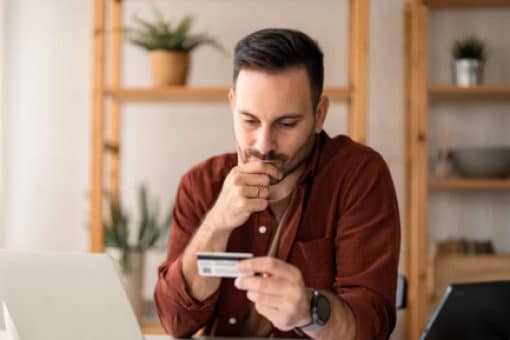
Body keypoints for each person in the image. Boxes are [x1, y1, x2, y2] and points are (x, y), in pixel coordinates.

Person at [154, 28, 400, 340]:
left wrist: (309, 311)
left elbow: (372, 325)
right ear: (232, 104)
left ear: (320, 114)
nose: (264, 143)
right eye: (249, 120)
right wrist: (216, 224)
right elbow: (175, 321)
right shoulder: (201, 183)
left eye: (286, 124)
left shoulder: (358, 175)